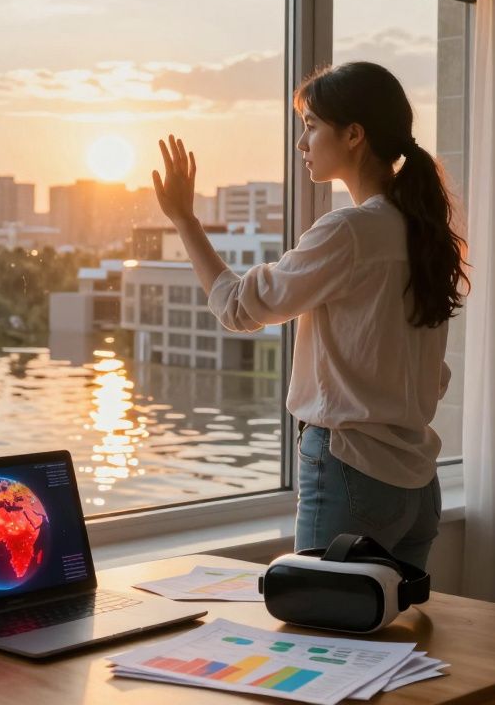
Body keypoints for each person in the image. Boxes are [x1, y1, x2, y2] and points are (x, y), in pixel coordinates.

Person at [150, 61, 468, 570]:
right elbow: (434, 376)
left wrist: (185, 220)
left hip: (352, 473)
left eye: (311, 126)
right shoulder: (423, 232)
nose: (302, 143)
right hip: (416, 486)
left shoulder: (349, 231)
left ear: (354, 134)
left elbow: (238, 308)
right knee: (396, 642)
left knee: (320, 640)